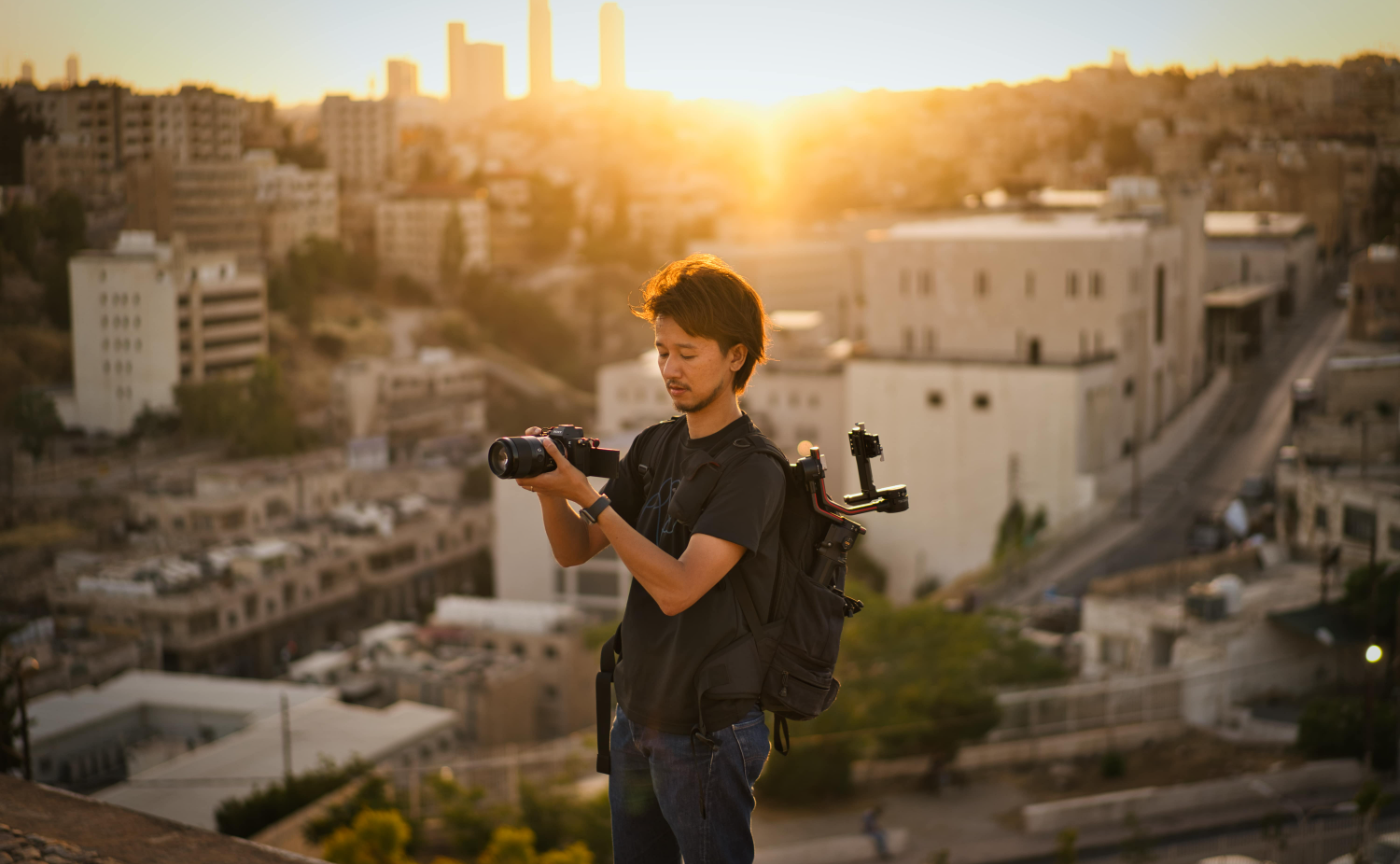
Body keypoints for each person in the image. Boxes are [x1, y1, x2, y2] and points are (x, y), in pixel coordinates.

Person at [517, 254, 785, 864]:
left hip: (707, 730)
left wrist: (587, 494)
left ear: (736, 356)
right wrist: (549, 490)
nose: (670, 369)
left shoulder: (753, 469)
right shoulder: (654, 445)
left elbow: (679, 587)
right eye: (663, 351)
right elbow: (575, 550)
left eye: (688, 353)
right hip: (636, 714)